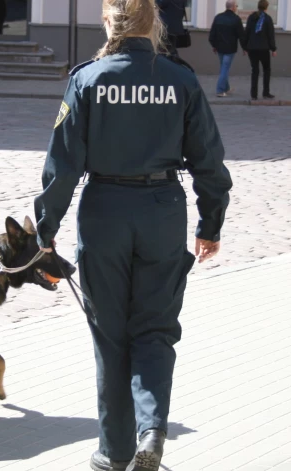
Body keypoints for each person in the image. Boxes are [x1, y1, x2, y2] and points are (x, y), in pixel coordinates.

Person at [33, 0, 233, 470]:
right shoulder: (180, 79)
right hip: (163, 211)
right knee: (155, 330)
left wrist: (46, 230)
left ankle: (114, 451)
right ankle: (152, 430)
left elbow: (62, 166)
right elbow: (210, 160)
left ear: (109, 23)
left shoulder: (88, 79)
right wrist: (211, 224)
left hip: (104, 211)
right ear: (154, 25)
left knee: (110, 334)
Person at [209, 1, 246, 97]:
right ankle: (220, 90)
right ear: (233, 7)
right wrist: (244, 48)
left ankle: (226, 88)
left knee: (223, 67)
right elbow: (241, 35)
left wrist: (214, 45)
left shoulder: (218, 17)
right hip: (230, 48)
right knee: (225, 68)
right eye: (236, 6)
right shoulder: (236, 19)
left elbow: (212, 34)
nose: (236, 7)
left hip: (220, 48)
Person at [244, 0, 277, 100]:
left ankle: (254, 94)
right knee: (266, 70)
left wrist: (245, 47)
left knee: (255, 71)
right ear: (266, 7)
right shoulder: (267, 19)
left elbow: (247, 33)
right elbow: (270, 35)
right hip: (264, 49)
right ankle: (266, 93)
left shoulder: (251, 17)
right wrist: (273, 49)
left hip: (252, 48)